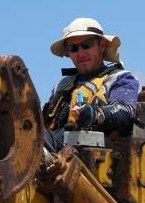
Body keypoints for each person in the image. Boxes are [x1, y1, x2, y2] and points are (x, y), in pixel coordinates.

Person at [43, 17, 139, 152]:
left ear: (102, 46)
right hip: (54, 147)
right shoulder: (62, 85)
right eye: (74, 48)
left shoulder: (120, 79)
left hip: (96, 153)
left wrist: (94, 114)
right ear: (69, 53)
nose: (81, 53)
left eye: (87, 45)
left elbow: (125, 112)